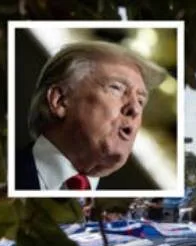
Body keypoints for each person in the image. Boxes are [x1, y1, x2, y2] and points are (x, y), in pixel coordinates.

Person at [16, 41, 168, 190]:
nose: (134, 108)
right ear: (60, 100)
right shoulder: (4, 175)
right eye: (116, 88)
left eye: (141, 101)